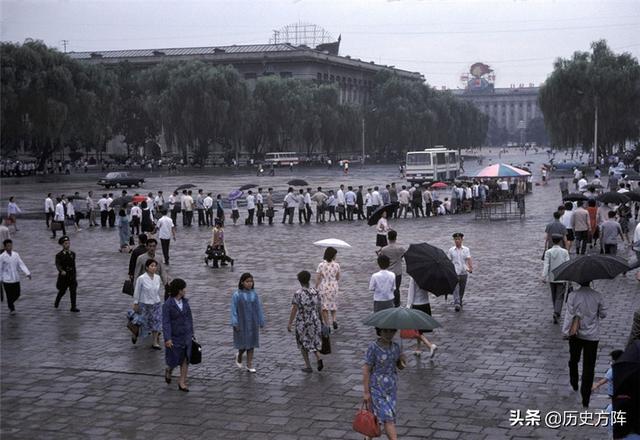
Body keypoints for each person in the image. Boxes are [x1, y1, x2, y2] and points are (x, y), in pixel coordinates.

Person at [563, 281, 607, 408]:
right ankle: (586, 397)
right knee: (589, 366)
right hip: (592, 336)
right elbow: (604, 314)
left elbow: (568, 315)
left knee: (574, 359)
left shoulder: (573, 295)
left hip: (576, 334)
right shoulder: (597, 295)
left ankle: (574, 381)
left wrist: (566, 331)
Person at [363, 327, 405, 440]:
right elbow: (366, 369)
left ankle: (368, 437)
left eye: (392, 331)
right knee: (388, 417)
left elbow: (400, 367)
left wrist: (402, 359)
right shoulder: (373, 347)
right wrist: (366, 392)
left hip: (391, 388)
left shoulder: (396, 347)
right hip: (377, 387)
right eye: (385, 331)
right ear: (379, 331)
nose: (388, 334)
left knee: (378, 416)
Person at [287, 270, 326, 373]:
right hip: (314, 319)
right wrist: (321, 321)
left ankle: (308, 366)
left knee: (303, 343)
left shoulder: (298, 294)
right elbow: (319, 308)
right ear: (309, 279)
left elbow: (294, 309)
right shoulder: (315, 291)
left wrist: (290, 322)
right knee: (314, 340)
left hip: (302, 321)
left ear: (299, 281)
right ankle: (318, 357)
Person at [162, 278, 194, 392]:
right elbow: (166, 322)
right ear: (179, 290)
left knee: (185, 359)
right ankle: (169, 370)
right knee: (174, 359)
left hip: (185, 335)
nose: (185, 290)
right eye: (184, 288)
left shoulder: (185, 303)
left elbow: (189, 318)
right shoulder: (168, 305)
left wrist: (192, 333)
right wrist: (168, 338)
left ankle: (182, 382)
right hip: (174, 336)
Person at [231, 273, 265, 373]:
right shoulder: (236, 295)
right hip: (241, 322)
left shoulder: (254, 294)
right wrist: (234, 322)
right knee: (243, 344)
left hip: (253, 322)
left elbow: (258, 308)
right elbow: (233, 309)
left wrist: (261, 320)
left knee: (252, 343)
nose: (250, 283)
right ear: (242, 282)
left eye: (251, 281)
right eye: (247, 281)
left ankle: (249, 364)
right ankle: (240, 354)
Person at [133, 258, 163, 349]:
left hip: (156, 303)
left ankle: (155, 342)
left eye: (155, 266)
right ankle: (134, 333)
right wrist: (135, 303)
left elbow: (157, 290)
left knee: (156, 321)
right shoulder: (141, 278)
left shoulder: (157, 278)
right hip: (144, 303)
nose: (154, 268)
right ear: (147, 267)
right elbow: (137, 291)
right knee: (142, 322)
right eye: (152, 266)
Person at [406, 276, 438, 357]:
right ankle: (418, 348)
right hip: (426, 304)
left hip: (417, 305)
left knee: (416, 331)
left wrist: (408, 306)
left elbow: (411, 293)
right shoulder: (427, 278)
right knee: (419, 329)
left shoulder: (413, 278)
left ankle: (430, 346)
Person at [542, 235, 570, 324]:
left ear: (552, 241)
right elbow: (567, 264)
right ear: (560, 241)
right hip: (562, 277)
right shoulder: (565, 252)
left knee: (554, 295)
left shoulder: (548, 252)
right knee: (560, 296)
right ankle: (557, 312)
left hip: (552, 277)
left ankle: (556, 310)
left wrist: (544, 276)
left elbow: (546, 265)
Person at [0, 239, 31, 314]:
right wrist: (0, 278)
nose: (9, 247)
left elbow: (21, 264)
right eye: (8, 246)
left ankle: (10, 303)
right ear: (4, 247)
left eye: (10, 245)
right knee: (9, 294)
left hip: (15, 278)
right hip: (6, 279)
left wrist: (27, 273)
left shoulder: (15, 254)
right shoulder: (2, 256)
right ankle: (11, 308)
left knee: (17, 294)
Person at [315, 247, 341, 329]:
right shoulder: (337, 265)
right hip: (334, 286)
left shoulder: (321, 265)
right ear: (333, 255)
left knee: (324, 307)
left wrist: (316, 287)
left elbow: (318, 278)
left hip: (324, 286)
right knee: (333, 304)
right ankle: (334, 320)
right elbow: (338, 277)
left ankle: (327, 324)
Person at [379, 230, 406, 308]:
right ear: (396, 237)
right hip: (397, 271)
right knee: (397, 289)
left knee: (388, 288)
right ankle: (397, 304)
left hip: (388, 271)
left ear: (388, 238)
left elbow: (382, 259)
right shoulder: (400, 248)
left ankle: (389, 303)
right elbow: (404, 255)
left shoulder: (384, 249)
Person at [448, 232, 473, 312]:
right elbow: (448, 260)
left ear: (462, 240)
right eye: (455, 239)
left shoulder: (466, 249)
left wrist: (470, 268)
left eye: (458, 239)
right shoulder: (451, 250)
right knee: (455, 288)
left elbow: (469, 259)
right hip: (454, 272)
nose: (457, 241)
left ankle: (460, 300)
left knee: (462, 288)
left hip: (463, 271)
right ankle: (457, 303)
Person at [54, 236, 79, 312]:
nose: (67, 245)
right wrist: (61, 271)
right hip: (64, 277)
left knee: (73, 291)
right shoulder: (59, 255)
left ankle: (73, 307)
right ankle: (57, 301)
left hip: (72, 276)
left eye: (68, 243)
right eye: (65, 243)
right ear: (62, 245)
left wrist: (75, 274)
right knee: (62, 291)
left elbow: (73, 265)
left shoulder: (72, 254)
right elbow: (58, 265)